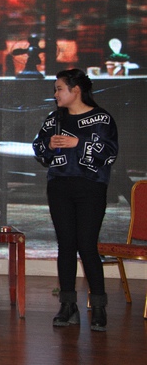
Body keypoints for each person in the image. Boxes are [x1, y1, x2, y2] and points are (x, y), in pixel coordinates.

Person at [32, 69, 118, 332]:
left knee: (87, 245)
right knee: (66, 245)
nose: (55, 94)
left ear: (76, 90)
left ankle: (99, 307)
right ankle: (67, 305)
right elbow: (38, 148)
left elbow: (110, 153)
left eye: (59, 88)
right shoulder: (54, 118)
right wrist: (49, 145)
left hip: (90, 187)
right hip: (59, 186)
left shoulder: (101, 118)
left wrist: (77, 143)